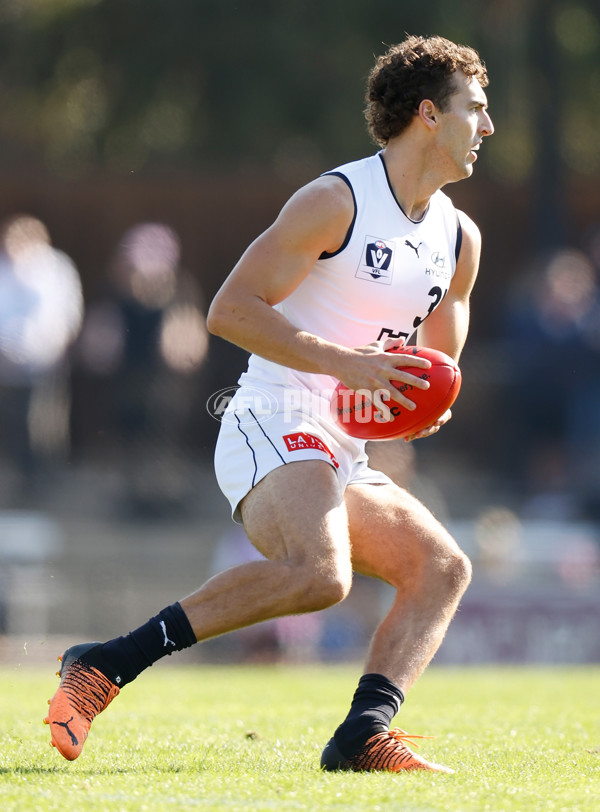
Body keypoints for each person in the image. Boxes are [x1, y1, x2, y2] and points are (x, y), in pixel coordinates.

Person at [45, 34, 493, 773]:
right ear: (428, 115)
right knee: (322, 576)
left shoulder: (459, 238)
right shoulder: (336, 200)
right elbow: (228, 310)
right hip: (273, 413)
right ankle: (103, 664)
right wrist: (347, 363)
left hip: (341, 444)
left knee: (443, 568)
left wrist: (428, 402)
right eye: (476, 108)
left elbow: (436, 367)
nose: (488, 126)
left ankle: (362, 735)